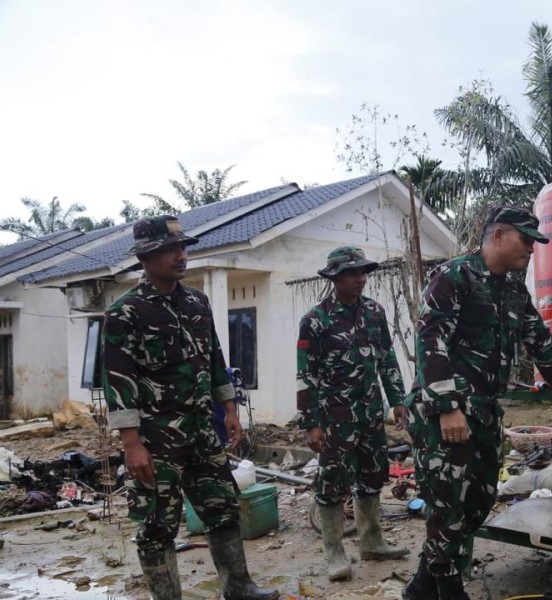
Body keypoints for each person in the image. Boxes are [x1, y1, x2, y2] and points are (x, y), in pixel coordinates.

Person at [403, 206, 552, 600]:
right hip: (445, 413)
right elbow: (430, 341)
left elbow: (541, 341)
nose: (533, 250)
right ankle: (448, 589)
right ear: (498, 235)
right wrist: (447, 406)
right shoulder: (453, 277)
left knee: (480, 499)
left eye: (536, 242)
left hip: (483, 411)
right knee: (449, 502)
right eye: (526, 240)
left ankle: (421, 586)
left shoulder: (513, 290)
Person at [102, 215, 278, 600]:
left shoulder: (197, 302)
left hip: (201, 431)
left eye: (182, 248)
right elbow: (117, 381)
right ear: (146, 258)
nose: (181, 256)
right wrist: (131, 443)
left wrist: (229, 410)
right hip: (155, 439)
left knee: (223, 507)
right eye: (170, 250)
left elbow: (214, 359)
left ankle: (239, 587)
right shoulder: (125, 312)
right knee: (156, 524)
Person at [297, 246, 410, 582]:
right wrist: (310, 424)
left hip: (370, 413)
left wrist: (397, 400)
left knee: (373, 476)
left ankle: (372, 542)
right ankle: (334, 552)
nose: (360, 279)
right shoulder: (315, 321)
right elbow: (307, 377)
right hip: (334, 419)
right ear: (335, 277)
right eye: (352, 273)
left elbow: (387, 359)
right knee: (331, 483)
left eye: (363, 272)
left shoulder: (374, 312)